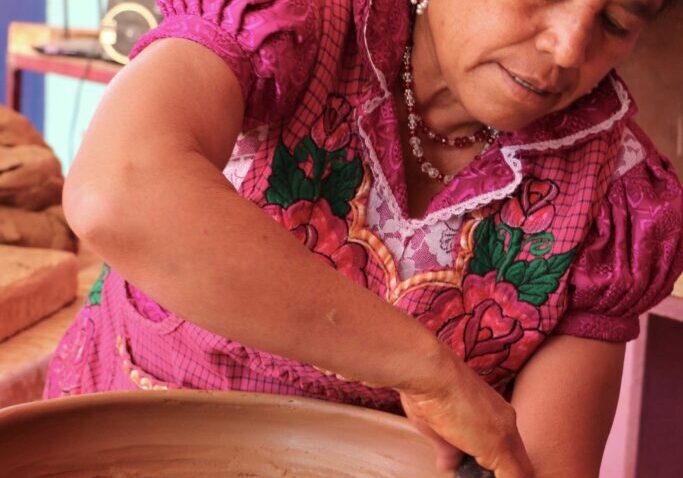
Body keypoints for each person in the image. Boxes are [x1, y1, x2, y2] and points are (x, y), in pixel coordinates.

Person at [45, 0, 682, 476]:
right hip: (119, 451)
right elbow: (119, 189)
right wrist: (430, 372)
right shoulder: (299, 24)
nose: (569, 46)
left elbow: (538, 466)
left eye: (619, 20)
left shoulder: (615, 193)